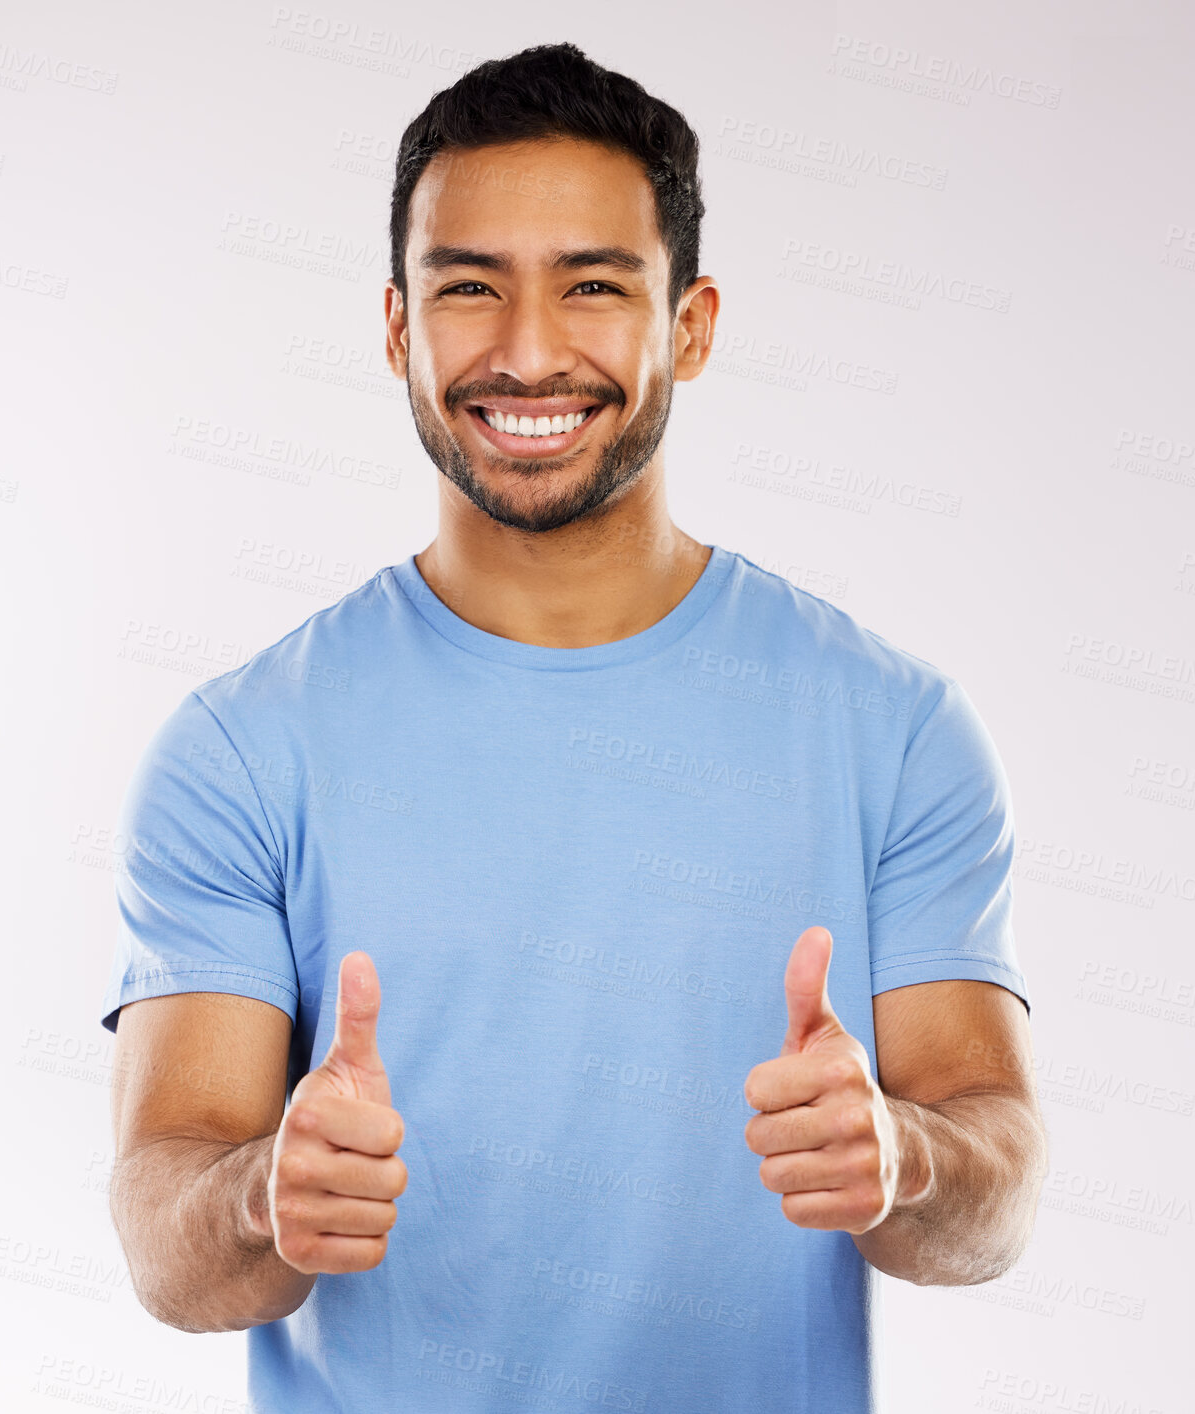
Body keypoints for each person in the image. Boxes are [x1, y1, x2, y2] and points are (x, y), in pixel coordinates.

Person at [101, 41, 1047, 1414]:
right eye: (467, 287)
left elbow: (994, 1187)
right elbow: (166, 1236)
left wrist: (905, 1158)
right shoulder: (243, 746)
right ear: (393, 329)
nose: (526, 350)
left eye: (592, 287)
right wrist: (264, 1193)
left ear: (690, 325)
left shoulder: (890, 725)